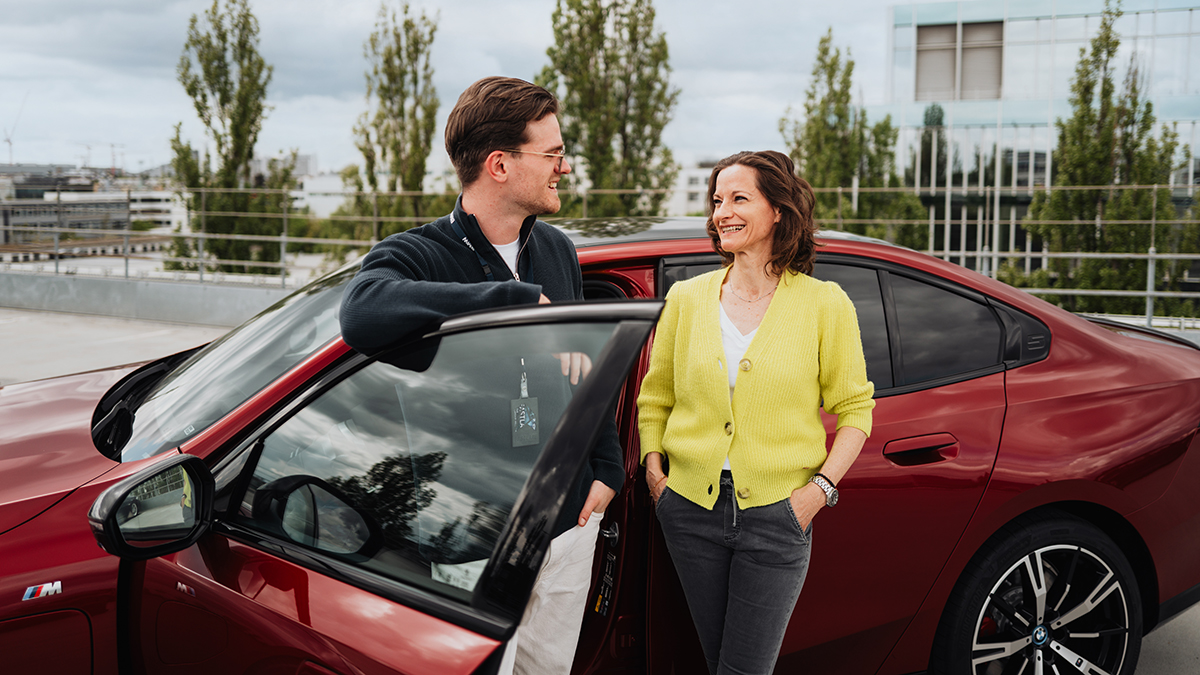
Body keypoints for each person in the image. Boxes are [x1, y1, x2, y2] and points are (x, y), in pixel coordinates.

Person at [338, 76, 623, 675]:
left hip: (569, 520)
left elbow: (587, 369)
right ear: (499, 164)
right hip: (473, 530)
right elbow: (362, 312)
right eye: (552, 154)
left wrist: (606, 469)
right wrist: (510, 300)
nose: (564, 168)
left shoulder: (560, 252)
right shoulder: (418, 253)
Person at [636, 150, 875, 675]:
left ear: (778, 212)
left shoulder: (824, 304)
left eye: (740, 198)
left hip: (778, 517)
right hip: (690, 510)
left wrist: (819, 493)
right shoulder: (686, 298)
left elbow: (856, 409)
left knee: (745, 669)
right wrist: (658, 479)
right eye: (718, 200)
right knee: (713, 659)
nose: (723, 211)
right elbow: (655, 398)